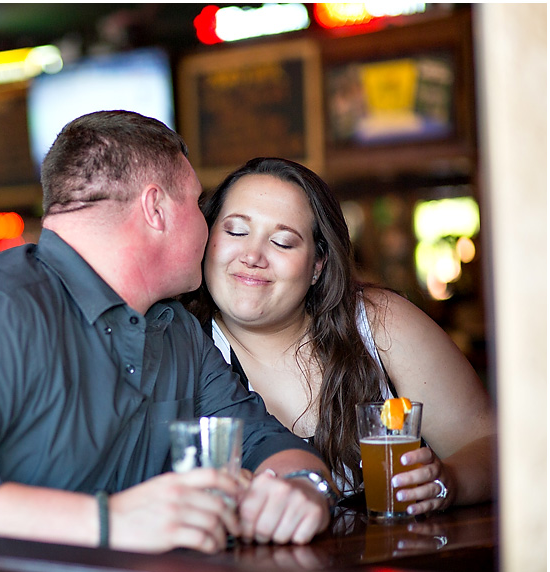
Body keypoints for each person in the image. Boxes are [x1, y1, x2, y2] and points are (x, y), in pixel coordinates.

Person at [0, 112, 337, 554]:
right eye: (196, 203)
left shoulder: (176, 332)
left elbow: (261, 440)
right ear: (157, 209)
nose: (206, 228)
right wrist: (109, 522)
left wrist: (303, 487)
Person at [180, 157, 495, 516]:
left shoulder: (377, 322)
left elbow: (490, 443)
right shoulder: (177, 345)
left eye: (282, 242)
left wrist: (448, 482)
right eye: (236, 231)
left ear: (317, 265)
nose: (253, 256)